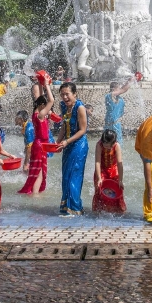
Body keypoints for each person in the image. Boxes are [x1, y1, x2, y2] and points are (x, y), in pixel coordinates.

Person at [56, 82, 89, 215]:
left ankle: (75, 209)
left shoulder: (80, 107)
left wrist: (66, 141)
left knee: (74, 176)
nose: (65, 97)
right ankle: (65, 208)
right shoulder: (64, 106)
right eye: (62, 94)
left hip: (79, 145)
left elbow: (83, 130)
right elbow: (64, 125)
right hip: (67, 144)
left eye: (67, 94)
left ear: (74, 94)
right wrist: (58, 142)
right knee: (66, 177)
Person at [19, 81, 54, 195]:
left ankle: (35, 192)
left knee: (38, 171)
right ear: (42, 105)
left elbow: (40, 98)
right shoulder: (40, 115)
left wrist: (41, 84)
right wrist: (47, 85)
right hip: (40, 146)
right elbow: (51, 100)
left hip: (39, 145)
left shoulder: (36, 112)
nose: (49, 109)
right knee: (39, 172)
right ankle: (35, 195)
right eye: (47, 106)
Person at [92, 128, 125, 214]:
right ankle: (99, 210)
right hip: (102, 169)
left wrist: (120, 180)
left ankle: (118, 210)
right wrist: (99, 178)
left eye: (108, 145)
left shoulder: (117, 146)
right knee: (99, 187)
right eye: (104, 143)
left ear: (113, 143)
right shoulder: (99, 145)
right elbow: (97, 162)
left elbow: (119, 164)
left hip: (113, 169)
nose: (105, 146)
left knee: (118, 188)